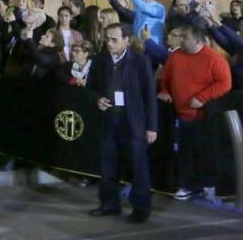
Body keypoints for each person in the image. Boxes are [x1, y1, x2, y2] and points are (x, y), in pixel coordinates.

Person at [86, 23, 157, 223]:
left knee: (138, 167)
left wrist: (152, 126)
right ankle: (109, 204)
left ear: (126, 40)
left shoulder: (140, 61)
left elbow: (149, 95)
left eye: (114, 39)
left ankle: (140, 209)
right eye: (107, 39)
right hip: (109, 120)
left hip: (133, 122)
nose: (109, 43)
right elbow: (91, 88)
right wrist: (97, 99)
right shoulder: (99, 60)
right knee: (108, 166)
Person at [158, 23, 231, 202]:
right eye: (181, 37)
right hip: (181, 115)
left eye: (185, 38)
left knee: (206, 152)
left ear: (197, 40)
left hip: (204, 116)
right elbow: (165, 79)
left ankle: (208, 186)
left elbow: (224, 83)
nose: (181, 40)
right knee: (185, 152)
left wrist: (203, 97)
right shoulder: (175, 56)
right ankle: (186, 185)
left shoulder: (213, 58)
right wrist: (166, 90)